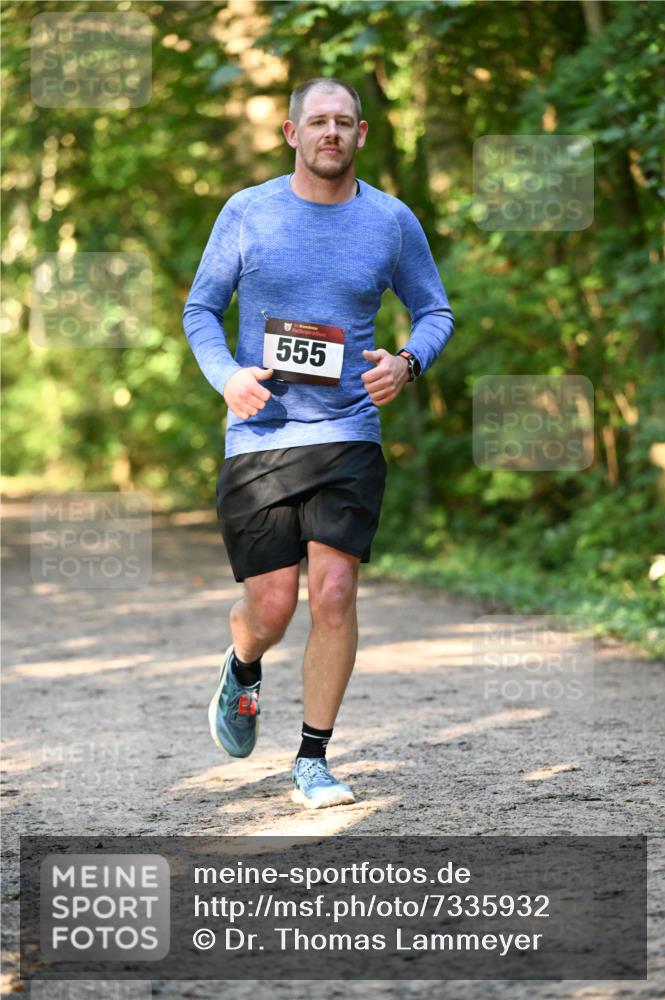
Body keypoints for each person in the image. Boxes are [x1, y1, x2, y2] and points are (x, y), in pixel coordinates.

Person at [182, 76, 454, 809]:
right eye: (317, 122)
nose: (330, 132)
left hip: (346, 432)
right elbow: (201, 308)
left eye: (344, 122)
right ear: (291, 134)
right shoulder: (248, 212)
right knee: (269, 610)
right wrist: (227, 377)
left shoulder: (391, 221)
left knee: (333, 592)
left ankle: (312, 758)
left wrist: (405, 362)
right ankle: (242, 666)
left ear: (361, 134)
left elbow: (434, 310)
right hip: (260, 437)